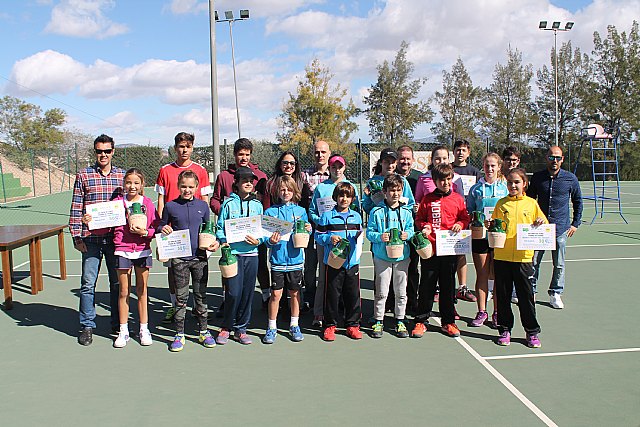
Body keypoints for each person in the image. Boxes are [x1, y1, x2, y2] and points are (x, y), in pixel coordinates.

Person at [70, 134, 125, 346]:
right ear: (95, 152)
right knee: (87, 283)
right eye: (99, 151)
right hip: (90, 239)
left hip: (114, 239)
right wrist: (76, 235)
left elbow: (128, 204)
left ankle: (116, 323)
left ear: (113, 151)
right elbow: (76, 206)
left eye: (107, 151)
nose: (103, 154)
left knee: (116, 283)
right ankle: (87, 325)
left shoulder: (121, 175)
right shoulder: (84, 175)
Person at [158, 170, 220, 352]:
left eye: (191, 187)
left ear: (197, 187)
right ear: (178, 186)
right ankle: (179, 334)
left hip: (200, 259)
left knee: (201, 296)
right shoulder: (170, 206)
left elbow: (209, 230)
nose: (187, 190)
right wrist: (164, 229)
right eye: (183, 186)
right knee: (181, 298)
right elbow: (162, 224)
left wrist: (214, 242)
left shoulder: (203, 206)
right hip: (180, 260)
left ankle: (204, 331)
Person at [155, 132, 211, 323]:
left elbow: (204, 200)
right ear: (175, 148)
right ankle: (174, 306)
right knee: (174, 270)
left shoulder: (201, 171)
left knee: (198, 271)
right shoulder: (165, 170)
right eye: (181, 146)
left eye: (188, 146)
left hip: (195, 230)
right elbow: (161, 200)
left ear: (192, 147)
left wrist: (205, 231)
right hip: (173, 230)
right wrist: (163, 226)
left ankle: (198, 308)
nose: (184, 150)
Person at [210, 138, 270, 310]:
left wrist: (261, 221)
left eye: (247, 154)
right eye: (240, 154)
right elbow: (215, 199)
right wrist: (224, 211)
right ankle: (227, 299)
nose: (244, 158)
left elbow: (264, 203)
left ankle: (265, 295)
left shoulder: (260, 176)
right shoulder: (224, 176)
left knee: (260, 264)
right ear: (235, 155)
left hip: (253, 232)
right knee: (228, 264)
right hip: (232, 234)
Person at [413, 163, 470, 339]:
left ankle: (448, 322)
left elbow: (464, 218)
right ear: (435, 181)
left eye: (448, 179)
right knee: (427, 286)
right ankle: (421, 320)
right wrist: (425, 226)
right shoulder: (427, 199)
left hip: (449, 249)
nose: (445, 183)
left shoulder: (458, 199)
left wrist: (460, 224)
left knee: (447, 287)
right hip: (430, 250)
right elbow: (419, 219)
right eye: (441, 180)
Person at [492, 168, 547, 348]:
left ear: (525, 184)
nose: (513, 185)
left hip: (524, 258)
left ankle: (531, 332)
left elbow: (544, 225)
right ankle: (505, 329)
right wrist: (490, 226)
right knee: (503, 296)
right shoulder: (501, 204)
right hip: (502, 256)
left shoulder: (532, 204)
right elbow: (494, 227)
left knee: (526, 296)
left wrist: (540, 223)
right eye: (510, 182)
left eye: (517, 182)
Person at [215, 166, 267, 345]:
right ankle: (226, 327)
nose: (248, 183)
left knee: (247, 293)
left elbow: (262, 230)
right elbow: (220, 227)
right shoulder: (228, 204)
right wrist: (223, 241)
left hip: (252, 255)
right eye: (244, 180)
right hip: (234, 255)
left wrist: (259, 241)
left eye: (250, 181)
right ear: (236, 183)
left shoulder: (257, 205)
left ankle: (241, 328)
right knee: (233, 292)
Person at [527, 146, 583, 309]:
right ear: (547, 158)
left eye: (558, 158)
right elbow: (530, 201)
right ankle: (532, 291)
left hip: (560, 229)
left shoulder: (570, 179)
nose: (554, 161)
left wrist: (575, 223)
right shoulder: (538, 178)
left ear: (562, 159)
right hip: (540, 230)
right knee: (534, 262)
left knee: (559, 263)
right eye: (552, 157)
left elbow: (578, 201)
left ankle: (555, 292)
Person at [308, 154, 360, 327]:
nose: (336, 169)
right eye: (333, 167)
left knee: (348, 282)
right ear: (329, 168)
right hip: (328, 238)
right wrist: (324, 223)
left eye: (340, 166)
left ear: (344, 167)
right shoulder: (321, 188)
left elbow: (357, 212)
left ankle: (348, 318)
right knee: (325, 279)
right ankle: (320, 314)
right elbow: (312, 211)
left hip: (349, 244)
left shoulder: (352, 186)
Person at [111, 169, 160, 347]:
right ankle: (123, 331)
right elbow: (105, 224)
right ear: (124, 183)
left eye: (136, 183)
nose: (132, 186)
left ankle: (143, 328)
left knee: (142, 290)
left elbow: (156, 227)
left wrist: (146, 232)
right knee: (124, 291)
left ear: (141, 185)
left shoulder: (147, 203)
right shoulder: (116, 203)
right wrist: (90, 220)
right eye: (129, 182)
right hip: (122, 250)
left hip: (142, 251)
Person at [262, 176, 312, 344]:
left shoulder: (301, 212)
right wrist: (271, 241)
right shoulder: (270, 212)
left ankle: (294, 324)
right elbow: (265, 238)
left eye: (289, 189)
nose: (286, 192)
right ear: (278, 191)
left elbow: (305, 234)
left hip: (295, 259)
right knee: (276, 294)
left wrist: (308, 229)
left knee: (295, 293)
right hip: (277, 260)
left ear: (294, 192)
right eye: (282, 189)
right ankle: (271, 326)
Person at [366, 174, 414, 338]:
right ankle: (378, 320)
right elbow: (369, 233)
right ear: (384, 192)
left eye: (398, 190)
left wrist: (407, 235)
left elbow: (411, 230)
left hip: (402, 257)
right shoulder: (376, 211)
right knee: (381, 291)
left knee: (401, 291)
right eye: (392, 190)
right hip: (382, 257)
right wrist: (380, 236)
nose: (395, 194)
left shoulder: (406, 211)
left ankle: (400, 319)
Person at [315, 182, 364, 341]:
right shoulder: (327, 216)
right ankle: (330, 325)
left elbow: (360, 236)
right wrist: (330, 238)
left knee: (353, 294)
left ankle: (353, 325)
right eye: (341, 195)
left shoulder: (356, 216)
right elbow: (318, 236)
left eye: (348, 196)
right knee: (332, 295)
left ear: (352, 199)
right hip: (334, 262)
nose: (344, 199)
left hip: (352, 263)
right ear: (335, 197)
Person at [466, 153, 508, 328]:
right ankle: (481, 311)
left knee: (498, 276)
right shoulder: (475, 189)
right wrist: (476, 220)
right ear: (482, 167)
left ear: (499, 167)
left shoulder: (505, 188)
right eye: (486, 166)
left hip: (499, 238)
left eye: (493, 166)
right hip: (480, 238)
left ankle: (498, 313)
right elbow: (469, 212)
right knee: (482, 274)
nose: (489, 169)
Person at [452, 139, 483, 304]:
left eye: (464, 150)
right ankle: (443, 288)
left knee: (464, 252)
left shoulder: (474, 172)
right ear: (454, 151)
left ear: (468, 153)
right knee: (451, 252)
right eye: (458, 149)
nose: (461, 152)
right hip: (451, 217)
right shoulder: (448, 169)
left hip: (469, 219)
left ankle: (462, 287)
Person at [302, 140, 332, 311]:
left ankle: (328, 295)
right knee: (310, 265)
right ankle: (310, 296)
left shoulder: (335, 174)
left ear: (328, 153)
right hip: (311, 227)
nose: (320, 155)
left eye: (323, 152)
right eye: (316, 152)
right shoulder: (305, 175)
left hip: (330, 228)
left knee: (329, 262)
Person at [396, 145, 422, 313]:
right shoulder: (391, 178)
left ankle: (412, 300)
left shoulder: (419, 178)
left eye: (408, 158)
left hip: (413, 229)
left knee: (412, 267)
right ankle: (392, 301)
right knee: (394, 266)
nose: (405, 161)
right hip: (394, 229)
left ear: (413, 160)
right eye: (402, 158)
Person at [362, 147, 414, 214]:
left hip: (398, 220)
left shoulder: (402, 180)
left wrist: (400, 212)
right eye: (386, 162)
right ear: (381, 162)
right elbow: (366, 207)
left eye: (392, 162)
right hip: (380, 220)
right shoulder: (373, 182)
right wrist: (368, 197)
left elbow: (410, 204)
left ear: (396, 163)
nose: (390, 165)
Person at [500, 145, 522, 304]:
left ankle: (517, 291)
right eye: (508, 160)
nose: (511, 163)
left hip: (519, 235)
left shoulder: (521, 178)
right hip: (500, 235)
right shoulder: (497, 177)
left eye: (514, 160)